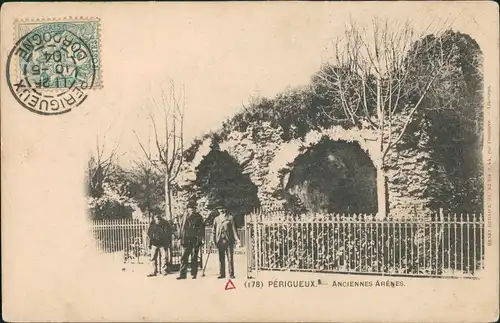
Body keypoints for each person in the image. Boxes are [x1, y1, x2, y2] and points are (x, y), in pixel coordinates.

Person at [177, 201, 205, 279]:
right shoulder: (184, 216)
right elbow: (181, 228)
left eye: (193, 208)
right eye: (190, 208)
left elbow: (202, 229)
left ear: (195, 209)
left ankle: (194, 274)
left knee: (194, 257)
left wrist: (202, 238)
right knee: (184, 257)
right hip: (186, 240)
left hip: (195, 240)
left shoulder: (199, 217)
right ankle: (182, 274)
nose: (191, 209)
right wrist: (179, 238)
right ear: (188, 209)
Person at [212, 208, 241, 279]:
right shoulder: (216, 219)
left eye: (222, 208)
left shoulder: (230, 218)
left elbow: (234, 230)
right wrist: (213, 240)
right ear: (218, 210)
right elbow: (214, 231)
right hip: (220, 241)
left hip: (229, 241)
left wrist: (237, 240)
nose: (221, 210)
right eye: (219, 209)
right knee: (221, 258)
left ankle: (231, 274)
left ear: (225, 209)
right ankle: (222, 274)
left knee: (230, 258)